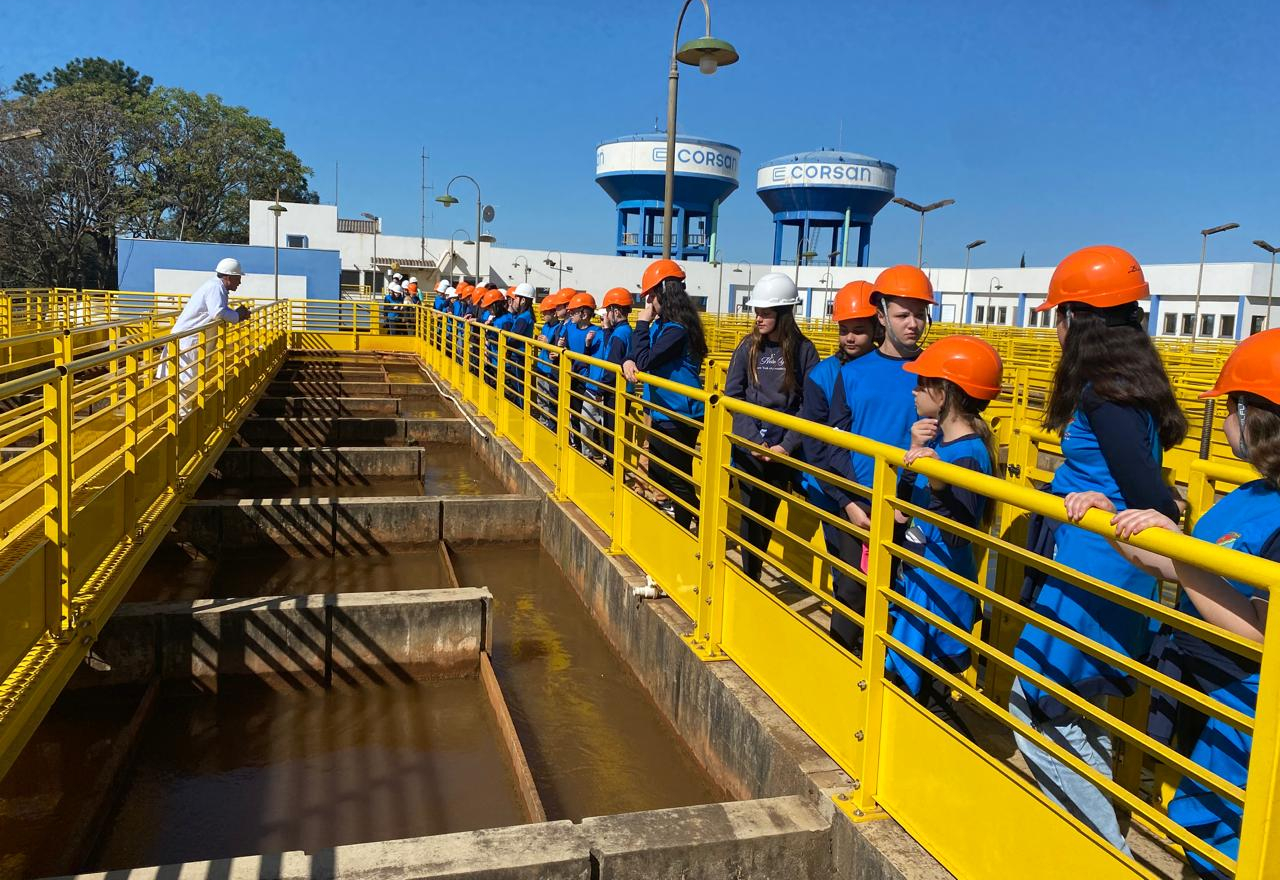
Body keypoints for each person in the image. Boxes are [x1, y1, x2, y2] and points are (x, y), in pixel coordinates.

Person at [1067, 329, 1279, 876]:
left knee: (1229, 854)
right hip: (1207, 696)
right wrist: (1114, 518)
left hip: (1248, 718)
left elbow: (1259, 632)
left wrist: (1181, 557)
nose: (1224, 421)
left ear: (1256, 415)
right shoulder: (1253, 494)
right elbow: (1176, 568)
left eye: (1229, 408)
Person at [1008, 245, 1187, 856]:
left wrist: (1105, 503)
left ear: (1077, 321)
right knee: (1079, 709)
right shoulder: (1127, 387)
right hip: (1111, 571)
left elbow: (1148, 495)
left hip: (1094, 570)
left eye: (1058, 316)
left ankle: (1102, 846)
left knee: (1033, 704)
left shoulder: (1102, 396)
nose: (1054, 330)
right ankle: (1096, 819)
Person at [885, 336, 1001, 721]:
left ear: (946, 391)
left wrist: (937, 483)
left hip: (942, 592)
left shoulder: (969, 455)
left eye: (923, 383)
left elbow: (959, 529)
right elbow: (902, 512)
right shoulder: (941, 444)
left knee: (930, 697)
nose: (914, 391)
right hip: (920, 581)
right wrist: (911, 454)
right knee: (914, 692)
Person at [825, 264, 935, 651]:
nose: (914, 324)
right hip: (864, 505)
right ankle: (841, 666)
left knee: (913, 600)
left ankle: (898, 683)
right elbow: (832, 445)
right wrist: (849, 502)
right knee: (853, 593)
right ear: (882, 314)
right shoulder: (853, 373)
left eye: (920, 314)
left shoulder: (935, 373)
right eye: (904, 315)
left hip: (918, 508)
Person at [723, 272, 819, 581]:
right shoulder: (748, 347)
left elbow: (809, 405)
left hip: (781, 450)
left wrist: (786, 445)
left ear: (784, 314)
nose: (759, 318)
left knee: (768, 512)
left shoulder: (804, 351)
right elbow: (733, 395)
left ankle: (754, 570)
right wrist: (752, 440)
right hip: (750, 446)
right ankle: (750, 575)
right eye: (757, 312)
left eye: (766, 313)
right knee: (751, 511)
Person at [798, 281, 881, 617]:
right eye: (844, 330)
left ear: (877, 326)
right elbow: (815, 442)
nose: (850, 338)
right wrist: (844, 499)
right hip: (831, 488)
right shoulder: (823, 374)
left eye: (859, 331)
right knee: (847, 574)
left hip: (876, 489)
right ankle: (851, 641)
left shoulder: (886, 373)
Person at [623, 259, 707, 531]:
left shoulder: (676, 330)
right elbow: (638, 354)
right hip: (662, 410)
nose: (647, 302)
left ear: (662, 293)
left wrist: (642, 324)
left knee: (676, 477)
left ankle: (694, 525)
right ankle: (689, 521)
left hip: (679, 413)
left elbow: (646, 359)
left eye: (649, 296)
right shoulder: (665, 326)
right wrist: (628, 359)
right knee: (660, 472)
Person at [159, 257, 251, 417]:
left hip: (189, 342)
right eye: (238, 278)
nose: (240, 283)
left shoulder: (215, 287)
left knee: (186, 384)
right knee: (186, 384)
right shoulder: (216, 288)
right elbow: (217, 312)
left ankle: (184, 419)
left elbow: (217, 310)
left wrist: (235, 314)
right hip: (189, 343)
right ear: (228, 277)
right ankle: (183, 425)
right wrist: (237, 315)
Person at [589, 287, 635, 465]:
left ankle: (613, 470)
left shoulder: (620, 334)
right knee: (615, 432)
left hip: (615, 391)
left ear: (616, 311)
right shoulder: (625, 331)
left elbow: (612, 365)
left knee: (612, 433)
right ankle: (614, 466)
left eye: (608, 311)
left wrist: (600, 389)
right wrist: (607, 328)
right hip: (624, 390)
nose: (606, 314)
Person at [555, 291, 604, 453]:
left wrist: (587, 345)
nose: (570, 313)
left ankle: (590, 450)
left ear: (583, 314)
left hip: (587, 382)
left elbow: (594, 361)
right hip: (572, 378)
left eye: (574, 311)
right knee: (573, 414)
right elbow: (562, 346)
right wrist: (559, 349)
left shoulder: (597, 333)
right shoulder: (569, 327)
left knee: (588, 420)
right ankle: (575, 445)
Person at [533, 289, 570, 430]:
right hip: (542, 366)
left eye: (546, 312)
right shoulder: (547, 327)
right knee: (541, 399)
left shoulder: (557, 327)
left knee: (550, 400)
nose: (543, 315)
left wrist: (548, 343)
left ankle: (549, 427)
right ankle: (543, 425)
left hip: (550, 369)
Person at [504, 283, 537, 404]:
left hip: (518, 355)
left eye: (516, 298)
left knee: (519, 386)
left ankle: (521, 412)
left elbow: (514, 338)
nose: (514, 300)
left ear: (523, 300)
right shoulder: (525, 315)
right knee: (518, 385)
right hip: (519, 354)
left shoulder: (524, 317)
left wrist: (503, 338)